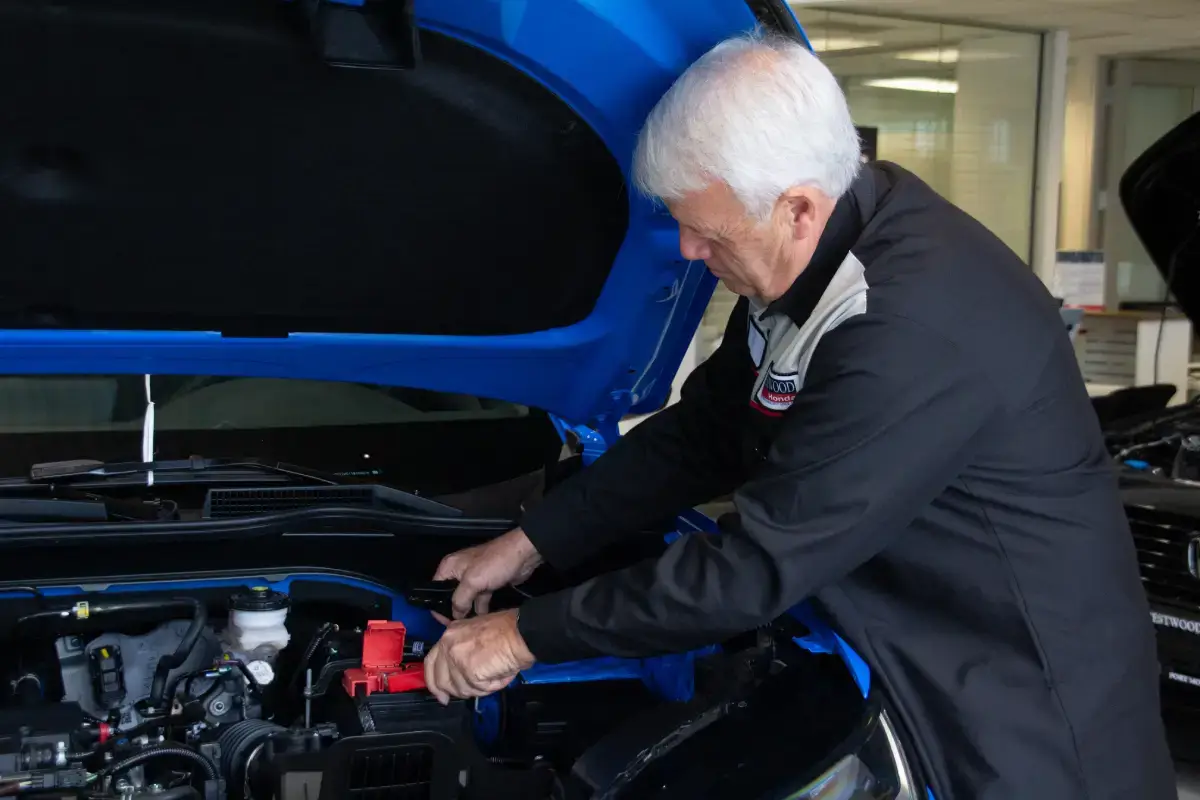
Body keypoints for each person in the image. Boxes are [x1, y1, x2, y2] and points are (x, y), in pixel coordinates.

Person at [421, 30, 1176, 799]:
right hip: (898, 637)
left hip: (1018, 707)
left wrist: (523, 636)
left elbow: (754, 568)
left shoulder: (912, 330)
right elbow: (707, 430)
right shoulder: (815, 255)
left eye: (709, 233)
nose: (686, 249)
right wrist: (534, 540)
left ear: (798, 210)